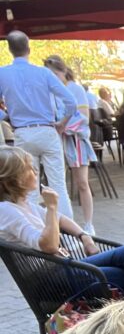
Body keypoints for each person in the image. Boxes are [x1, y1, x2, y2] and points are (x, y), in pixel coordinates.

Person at [0, 145, 124, 295]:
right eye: (28, 168)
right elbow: (48, 245)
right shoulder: (7, 210)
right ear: (13, 178)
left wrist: (84, 237)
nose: (35, 171)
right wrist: (51, 207)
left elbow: (61, 220)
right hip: (49, 279)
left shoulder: (23, 203)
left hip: (62, 267)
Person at [0, 30, 76, 219]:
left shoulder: (3, 74)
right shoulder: (43, 73)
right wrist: (62, 123)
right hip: (47, 129)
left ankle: (36, 232)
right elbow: (71, 102)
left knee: (27, 187)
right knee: (58, 184)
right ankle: (70, 236)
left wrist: (7, 115)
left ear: (9, 50)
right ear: (29, 48)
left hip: (22, 133)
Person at [43, 54, 99, 237]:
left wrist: (64, 126)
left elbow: (84, 118)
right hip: (56, 141)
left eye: (54, 73)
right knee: (59, 184)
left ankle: (89, 223)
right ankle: (66, 224)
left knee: (82, 183)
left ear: (62, 71)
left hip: (75, 140)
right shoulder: (49, 91)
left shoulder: (75, 89)